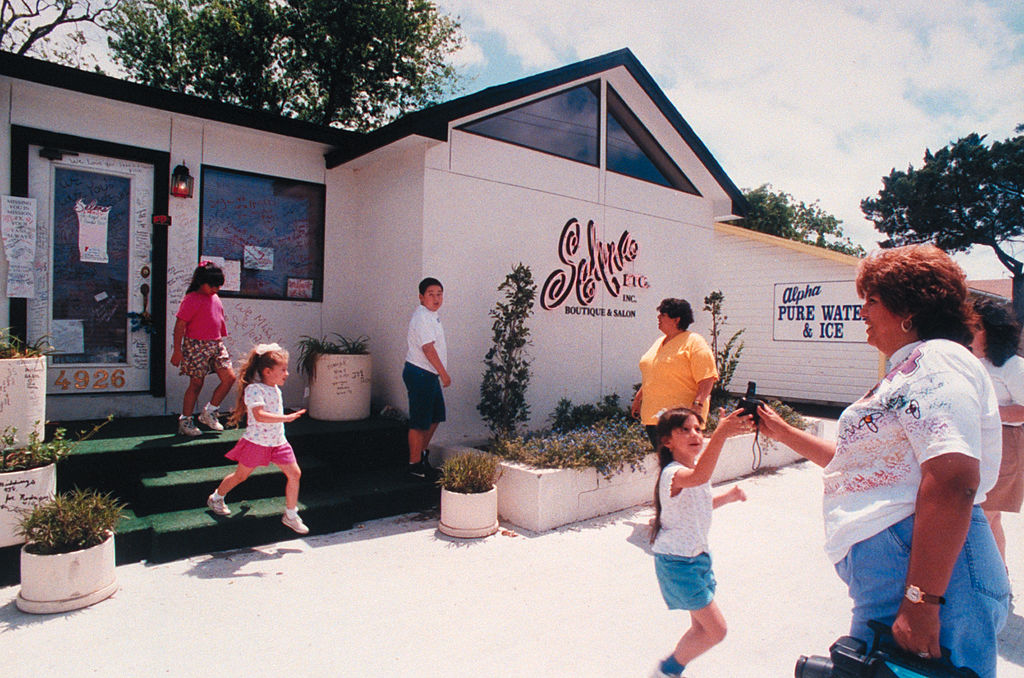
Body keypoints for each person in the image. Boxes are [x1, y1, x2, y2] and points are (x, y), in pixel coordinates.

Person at [756, 245, 1010, 677]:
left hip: (929, 577)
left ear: (908, 308)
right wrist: (781, 431)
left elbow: (953, 480)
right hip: (900, 575)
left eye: (872, 300)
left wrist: (922, 600)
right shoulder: (909, 369)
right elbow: (862, 467)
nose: (862, 312)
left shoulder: (936, 360)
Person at [649, 406, 750, 678]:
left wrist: (727, 497)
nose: (695, 434)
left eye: (699, 429)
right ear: (667, 441)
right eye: (685, 430)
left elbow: (698, 504)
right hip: (678, 563)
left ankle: (670, 671)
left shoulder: (691, 469)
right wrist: (722, 433)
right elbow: (700, 478)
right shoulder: (674, 473)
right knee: (717, 630)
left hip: (697, 559)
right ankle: (667, 671)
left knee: (700, 629)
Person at [206, 343, 309, 535]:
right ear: (268, 371)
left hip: (278, 442)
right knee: (241, 476)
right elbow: (260, 415)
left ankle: (291, 515)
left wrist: (283, 421)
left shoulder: (276, 389)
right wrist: (286, 418)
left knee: (295, 474)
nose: (287, 374)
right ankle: (216, 497)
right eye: (283, 370)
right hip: (257, 443)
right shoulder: (254, 390)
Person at [970, 297, 1024, 567]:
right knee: (988, 516)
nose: (971, 332)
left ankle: (992, 581)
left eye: (977, 326)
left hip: (1005, 444)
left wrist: (988, 414)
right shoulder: (972, 363)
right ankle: (998, 575)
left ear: (994, 330)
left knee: (986, 514)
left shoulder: (1013, 366)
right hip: (976, 441)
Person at [631, 298, 718, 446]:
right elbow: (653, 374)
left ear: (676, 319)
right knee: (666, 463)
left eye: (663, 314)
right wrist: (638, 399)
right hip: (654, 418)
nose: (658, 318)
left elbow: (707, 378)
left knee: (680, 463)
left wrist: (698, 404)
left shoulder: (694, 342)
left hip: (680, 420)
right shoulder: (659, 342)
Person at [170, 262, 236, 436]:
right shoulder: (191, 299)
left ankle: (210, 412)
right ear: (200, 282)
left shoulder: (215, 297)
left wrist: (219, 339)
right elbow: (179, 325)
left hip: (215, 344)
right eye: (212, 285)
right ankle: (185, 420)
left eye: (218, 285)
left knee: (229, 377)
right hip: (196, 345)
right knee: (196, 384)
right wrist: (177, 350)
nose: (215, 289)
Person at [403, 277, 451, 478]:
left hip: (428, 375)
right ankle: (414, 464)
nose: (436, 298)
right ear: (421, 297)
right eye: (431, 294)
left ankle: (421, 455)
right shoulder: (422, 316)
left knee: (435, 416)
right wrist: (444, 374)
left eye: (439, 294)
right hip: (420, 373)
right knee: (420, 421)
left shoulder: (432, 315)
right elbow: (428, 349)